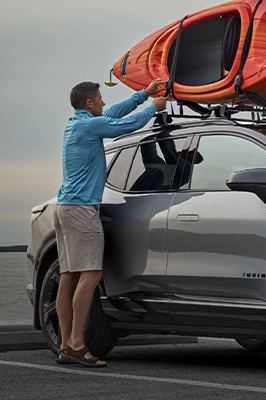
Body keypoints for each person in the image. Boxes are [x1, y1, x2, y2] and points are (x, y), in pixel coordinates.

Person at [55, 79, 168, 367]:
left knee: (68, 277)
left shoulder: (77, 124)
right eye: (100, 99)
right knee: (91, 275)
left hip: (65, 207)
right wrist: (153, 109)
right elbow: (124, 126)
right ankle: (78, 345)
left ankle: (66, 344)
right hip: (81, 210)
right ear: (90, 103)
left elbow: (114, 114)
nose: (104, 103)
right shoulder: (90, 126)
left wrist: (144, 94)